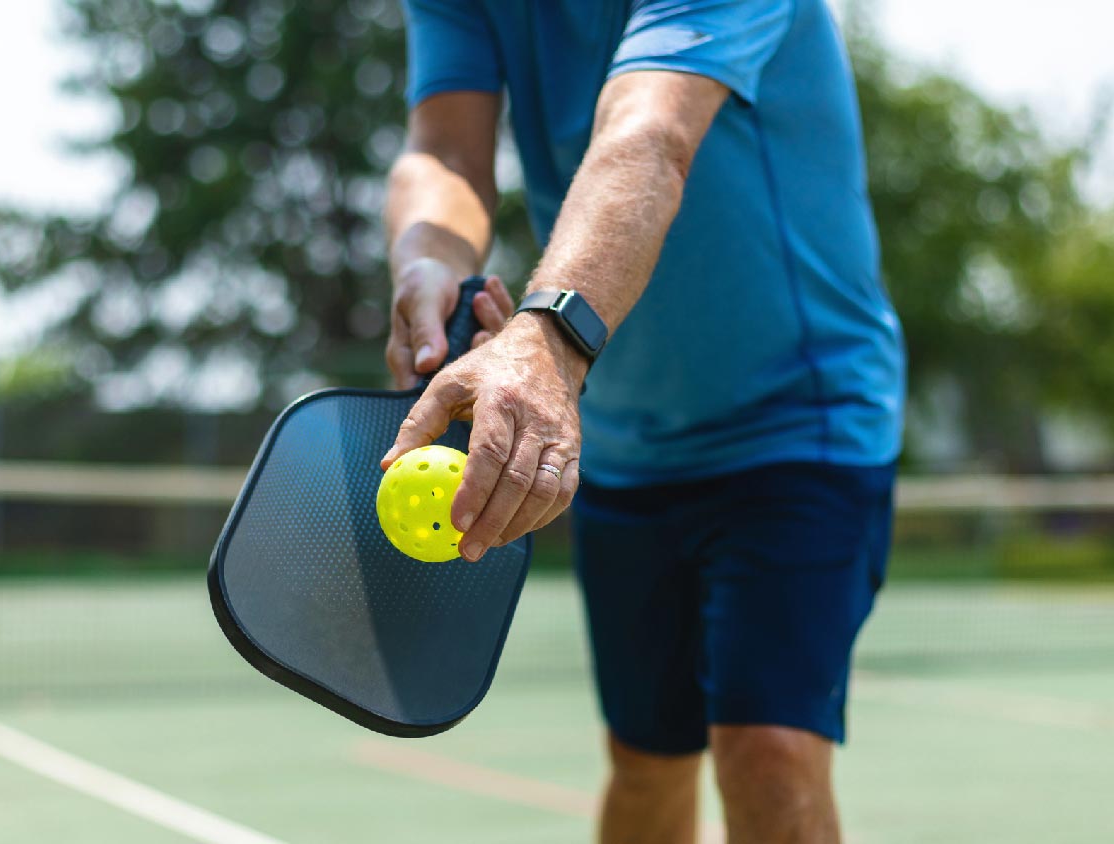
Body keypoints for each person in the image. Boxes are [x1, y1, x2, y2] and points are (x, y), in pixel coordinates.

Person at [379, 2, 905, 842]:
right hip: (626, 440)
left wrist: (547, 340)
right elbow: (443, 150)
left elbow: (648, 131)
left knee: (767, 747)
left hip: (799, 418)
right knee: (646, 754)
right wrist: (427, 264)